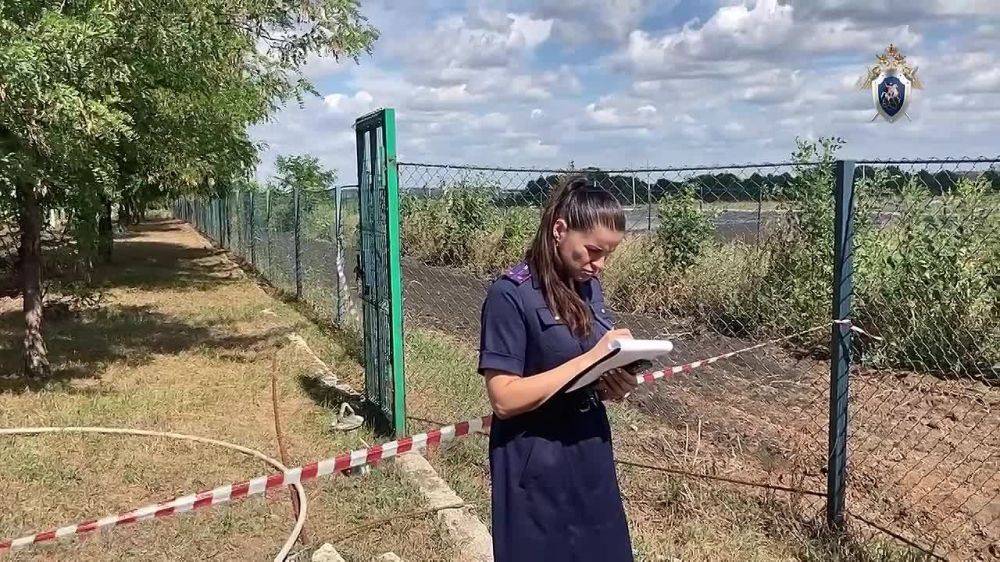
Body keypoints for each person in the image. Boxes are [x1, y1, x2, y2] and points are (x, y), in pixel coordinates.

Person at [477, 174, 639, 561]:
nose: (599, 265)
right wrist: (591, 358)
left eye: (608, 256)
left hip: (589, 450)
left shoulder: (586, 287)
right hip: (536, 464)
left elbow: (582, 371)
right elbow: (503, 398)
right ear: (559, 229)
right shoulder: (509, 296)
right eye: (593, 251)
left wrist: (612, 379)